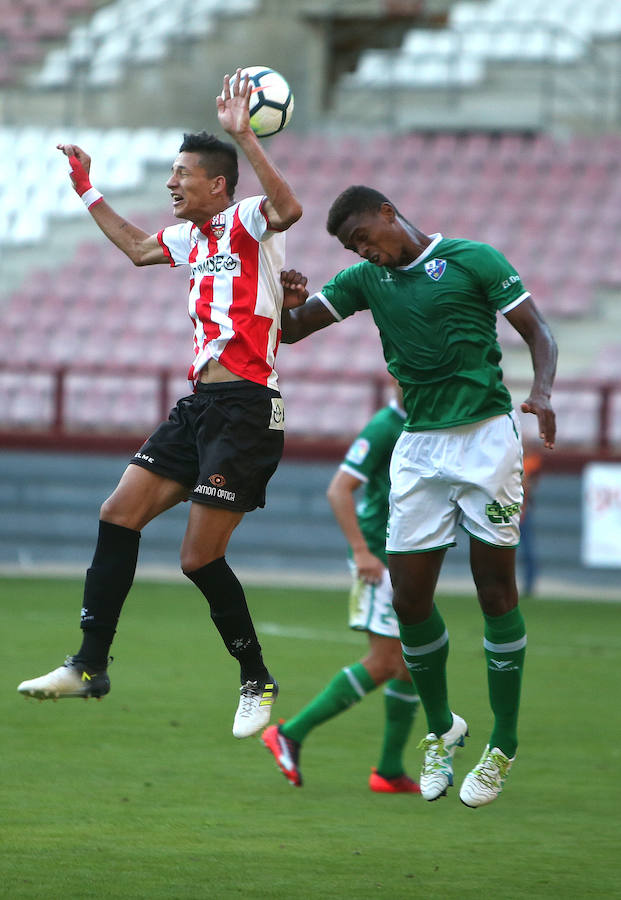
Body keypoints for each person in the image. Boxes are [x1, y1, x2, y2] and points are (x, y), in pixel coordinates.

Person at [17, 70, 302, 740]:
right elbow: (139, 246)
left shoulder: (248, 223)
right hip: (201, 405)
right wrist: (86, 187)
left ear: (218, 185)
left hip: (248, 410)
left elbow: (287, 208)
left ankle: (255, 676)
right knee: (118, 513)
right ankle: (89, 665)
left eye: (182, 174)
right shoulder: (191, 239)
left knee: (197, 559)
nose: (172, 184)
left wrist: (242, 136)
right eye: (172, 174)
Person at [276, 185, 557, 807]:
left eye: (364, 238)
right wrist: (286, 302)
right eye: (352, 248)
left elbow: (540, 334)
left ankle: (503, 742)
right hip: (420, 446)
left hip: (487, 439)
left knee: (495, 591)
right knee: (408, 600)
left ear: (387, 213)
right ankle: (441, 730)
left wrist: (541, 391)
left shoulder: (474, 258)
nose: (363, 251)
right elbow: (291, 332)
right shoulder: (363, 280)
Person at [262, 382, 421, 792]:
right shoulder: (385, 426)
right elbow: (339, 489)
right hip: (380, 560)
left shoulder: (424, 422)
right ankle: (290, 733)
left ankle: (388, 771)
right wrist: (362, 551)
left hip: (409, 556)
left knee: (410, 666)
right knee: (387, 662)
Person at [519, 445, 543, 596]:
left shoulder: (531, 462)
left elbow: (532, 484)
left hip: (522, 512)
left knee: (528, 551)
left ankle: (529, 584)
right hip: (512, 512)